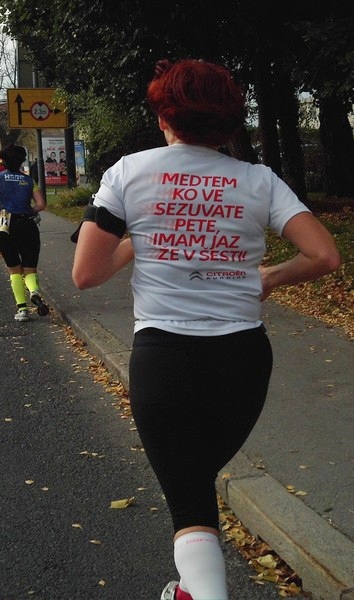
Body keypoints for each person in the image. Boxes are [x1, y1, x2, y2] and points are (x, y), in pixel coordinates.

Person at [71, 59, 341, 600]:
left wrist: (139, 239)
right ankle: (186, 592)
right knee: (194, 484)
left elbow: (86, 274)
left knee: (189, 500)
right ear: (229, 121)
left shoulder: (128, 173)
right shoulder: (259, 181)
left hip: (163, 360)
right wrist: (269, 277)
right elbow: (325, 256)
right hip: (243, 361)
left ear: (163, 116)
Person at [0, 144, 50, 322]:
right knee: (30, 267)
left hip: (5, 224)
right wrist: (30, 211)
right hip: (27, 225)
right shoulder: (28, 180)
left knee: (14, 269)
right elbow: (41, 204)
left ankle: (22, 310)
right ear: (21, 161)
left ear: (4, 160)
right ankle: (34, 291)